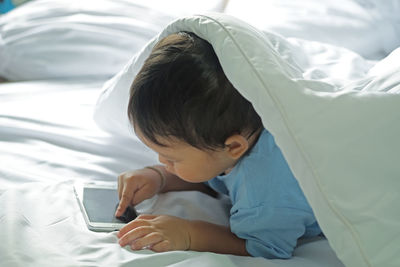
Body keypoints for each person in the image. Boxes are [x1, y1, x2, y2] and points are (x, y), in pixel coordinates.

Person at [115, 31, 321, 259]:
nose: (161, 161)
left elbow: (264, 246)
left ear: (233, 147)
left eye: (172, 159)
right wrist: (159, 177)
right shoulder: (233, 131)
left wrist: (188, 233)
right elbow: (212, 175)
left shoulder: (266, 193)